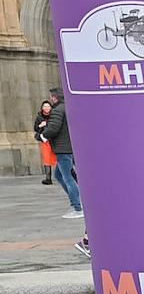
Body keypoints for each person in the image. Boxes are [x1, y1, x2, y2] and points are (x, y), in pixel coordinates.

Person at [42, 88, 84, 219]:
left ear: (55, 97)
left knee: (67, 177)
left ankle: (78, 207)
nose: (50, 99)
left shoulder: (57, 110)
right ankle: (77, 203)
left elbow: (53, 128)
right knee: (59, 175)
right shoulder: (69, 107)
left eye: (51, 97)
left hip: (63, 149)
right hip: (72, 147)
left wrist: (42, 135)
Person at [33, 100, 55, 184]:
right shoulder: (39, 117)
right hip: (44, 140)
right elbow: (35, 128)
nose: (46, 108)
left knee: (58, 157)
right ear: (42, 108)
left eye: (48, 106)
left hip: (54, 139)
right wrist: (40, 125)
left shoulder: (54, 115)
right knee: (46, 158)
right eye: (45, 106)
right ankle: (48, 178)